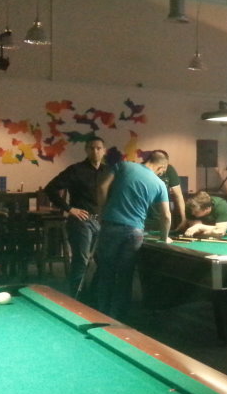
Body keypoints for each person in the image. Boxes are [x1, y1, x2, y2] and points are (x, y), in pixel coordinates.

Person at [94, 150, 171, 320]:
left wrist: (102, 211)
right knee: (125, 276)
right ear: (162, 167)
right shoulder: (160, 184)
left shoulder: (124, 165)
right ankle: (119, 318)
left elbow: (102, 187)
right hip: (135, 232)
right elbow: (166, 216)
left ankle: (101, 313)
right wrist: (164, 238)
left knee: (106, 272)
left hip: (111, 225)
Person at [42, 136, 108, 297]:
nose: (95, 151)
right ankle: (77, 298)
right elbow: (50, 188)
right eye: (91, 148)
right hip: (81, 221)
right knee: (81, 261)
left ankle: (93, 296)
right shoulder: (76, 170)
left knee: (104, 261)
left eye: (98, 148)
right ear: (86, 150)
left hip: (102, 221)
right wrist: (69, 209)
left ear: (104, 151)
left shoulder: (109, 171)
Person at [144, 149, 185, 231]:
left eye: (165, 167)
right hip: (143, 218)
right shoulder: (141, 170)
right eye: (163, 167)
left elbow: (178, 196)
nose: (163, 170)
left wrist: (184, 218)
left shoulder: (169, 170)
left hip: (162, 217)